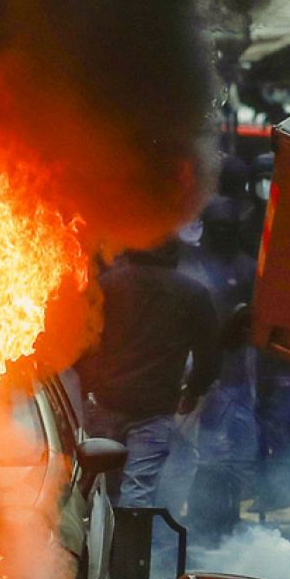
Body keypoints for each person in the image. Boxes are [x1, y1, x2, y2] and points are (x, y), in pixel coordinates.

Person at [75, 240, 220, 508]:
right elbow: (210, 353)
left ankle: (100, 544)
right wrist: (194, 391)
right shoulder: (193, 293)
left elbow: (83, 341)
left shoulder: (108, 285)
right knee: (139, 487)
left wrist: (89, 386)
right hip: (155, 408)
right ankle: (131, 547)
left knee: (100, 483)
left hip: (106, 401)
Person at [179, 196, 259, 545]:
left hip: (236, 375)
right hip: (201, 372)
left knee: (234, 457)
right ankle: (202, 523)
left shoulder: (247, 268)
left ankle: (225, 522)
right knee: (204, 454)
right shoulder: (193, 265)